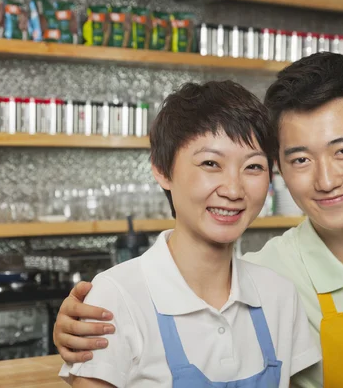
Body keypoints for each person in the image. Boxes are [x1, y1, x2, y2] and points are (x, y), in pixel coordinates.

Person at [54, 53, 343, 387]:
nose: (325, 179)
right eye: (300, 158)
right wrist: (85, 317)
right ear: (281, 168)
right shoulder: (270, 275)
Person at [57, 80, 322, 388]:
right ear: (162, 169)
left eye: (253, 167)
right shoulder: (115, 298)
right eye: (211, 163)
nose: (234, 190)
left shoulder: (279, 295)